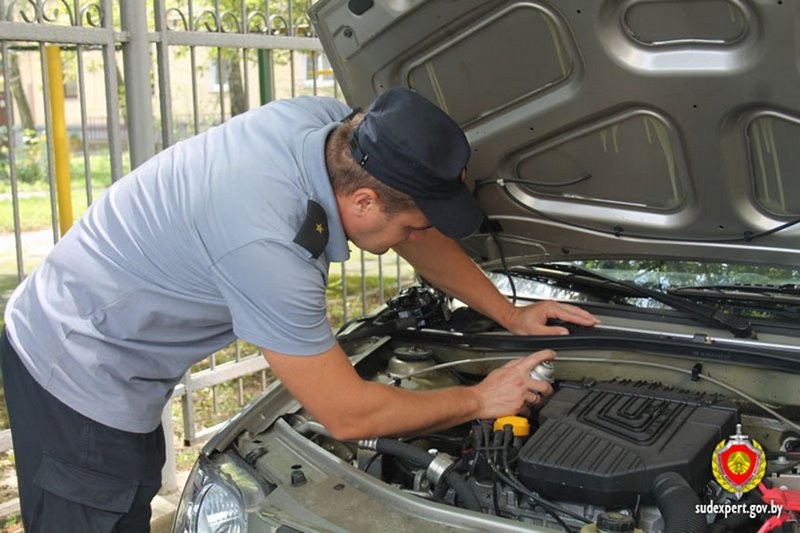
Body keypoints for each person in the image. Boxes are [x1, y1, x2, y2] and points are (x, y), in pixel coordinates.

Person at [0, 87, 598, 531]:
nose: (418, 236)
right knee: (102, 507)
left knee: (126, 493)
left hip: (120, 339)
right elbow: (348, 416)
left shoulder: (327, 128)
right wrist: (478, 399)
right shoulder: (269, 245)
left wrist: (508, 313)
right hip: (75, 362)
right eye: (413, 224)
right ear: (362, 201)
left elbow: (420, 229)